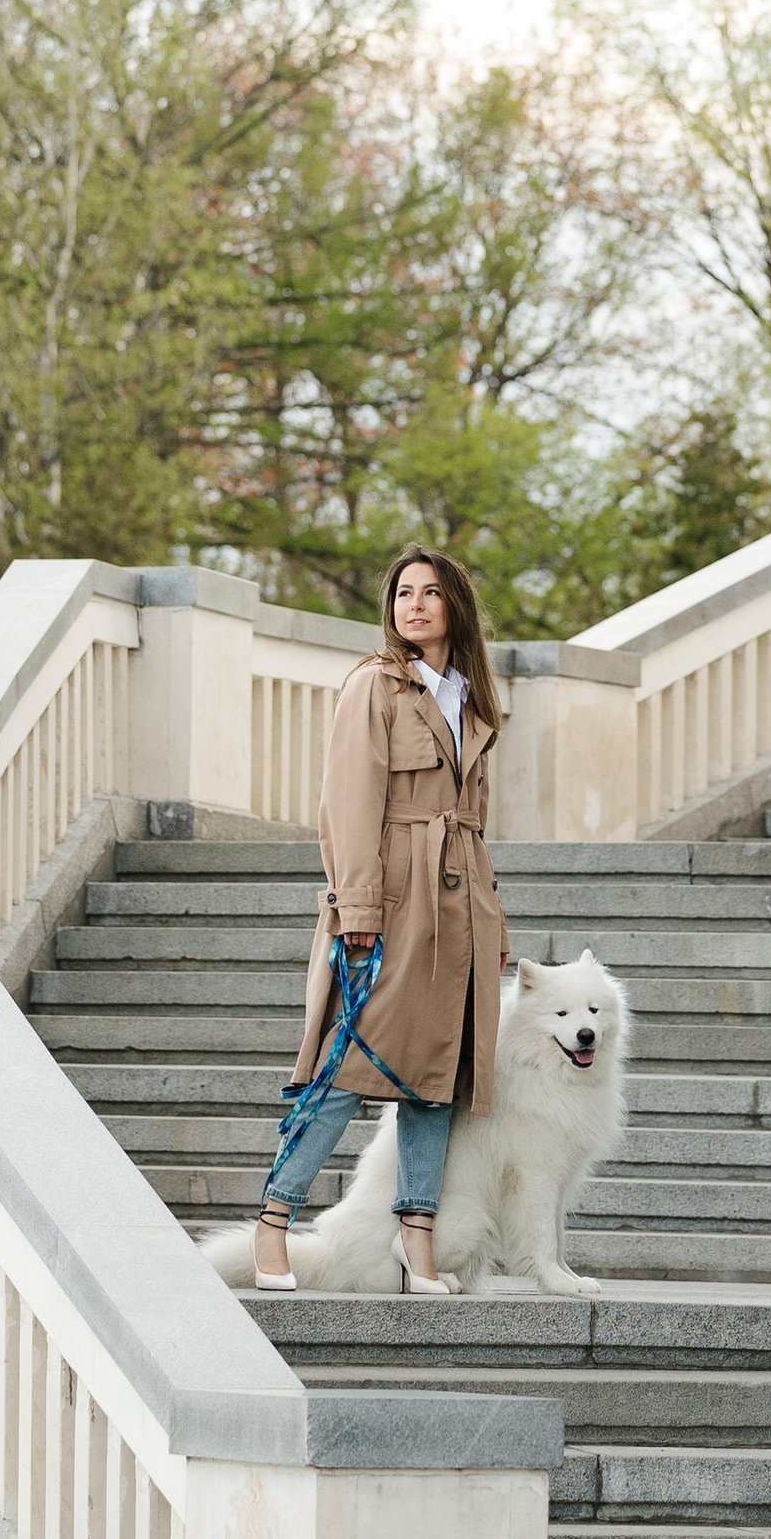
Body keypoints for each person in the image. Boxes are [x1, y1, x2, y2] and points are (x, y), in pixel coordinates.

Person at [252, 547, 510, 1297]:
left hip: (462, 912)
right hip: (393, 900)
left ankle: (417, 1245)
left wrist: (494, 931)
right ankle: (276, 1224)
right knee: (346, 1066)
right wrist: (356, 907)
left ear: (456, 605)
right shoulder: (375, 685)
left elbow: (476, 827)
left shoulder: (471, 700)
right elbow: (348, 800)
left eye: (432, 593)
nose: (416, 605)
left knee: (437, 1082)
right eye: (404, 592)